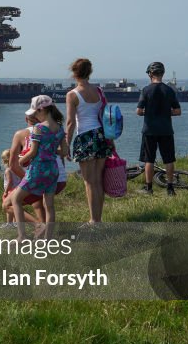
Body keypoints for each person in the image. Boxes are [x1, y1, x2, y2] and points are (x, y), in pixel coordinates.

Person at [8, 95, 65, 241]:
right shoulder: (59, 128)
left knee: (16, 199)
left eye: (35, 112)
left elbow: (32, 152)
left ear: (41, 109)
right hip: (53, 169)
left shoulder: (38, 129)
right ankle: (47, 240)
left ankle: (21, 237)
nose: (34, 115)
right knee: (49, 206)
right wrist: (51, 151)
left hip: (38, 169)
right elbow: (64, 151)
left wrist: (21, 161)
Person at [65, 58, 112, 223]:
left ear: (74, 73)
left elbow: (70, 123)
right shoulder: (99, 91)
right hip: (101, 135)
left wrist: (66, 144)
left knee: (89, 182)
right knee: (98, 180)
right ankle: (98, 219)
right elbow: (105, 116)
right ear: (89, 72)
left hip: (85, 137)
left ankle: (94, 221)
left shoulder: (72, 95)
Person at [136, 62, 181, 196]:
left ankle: (149, 188)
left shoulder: (146, 90)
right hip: (166, 130)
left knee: (149, 159)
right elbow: (178, 111)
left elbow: (138, 111)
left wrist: (147, 113)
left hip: (149, 130)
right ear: (163, 74)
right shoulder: (169, 90)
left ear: (150, 74)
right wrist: (167, 113)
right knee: (169, 159)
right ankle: (170, 188)